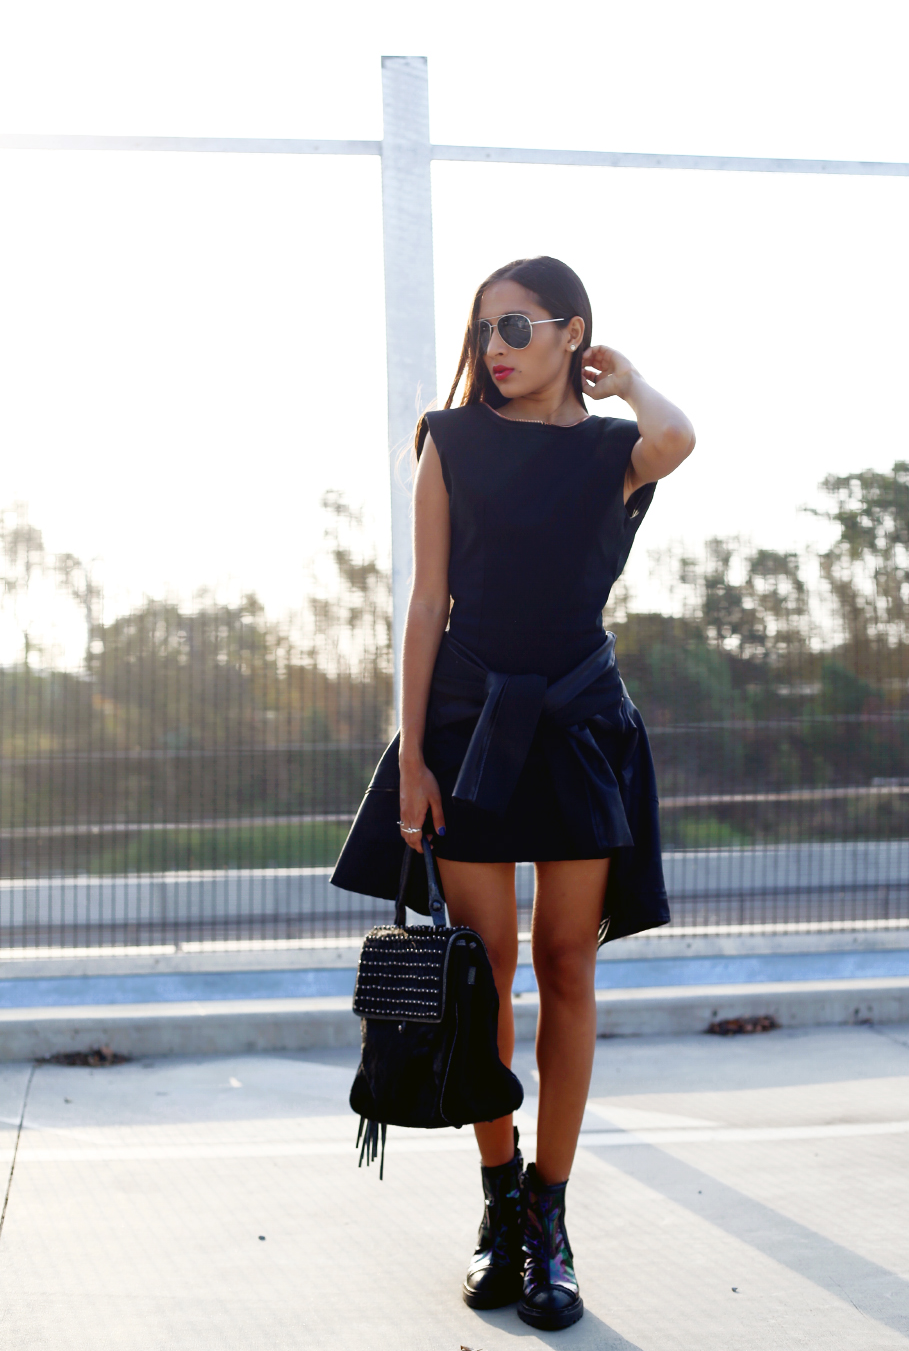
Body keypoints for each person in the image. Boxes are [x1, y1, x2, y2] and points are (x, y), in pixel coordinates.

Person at [333, 255, 695, 1331]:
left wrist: (627, 379)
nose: (494, 347)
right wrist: (412, 759)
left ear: (571, 332)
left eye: (518, 327)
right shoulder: (449, 443)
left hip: (577, 727)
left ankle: (551, 1215)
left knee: (568, 965)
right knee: (482, 978)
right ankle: (498, 1204)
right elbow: (426, 603)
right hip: (467, 729)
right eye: (484, 329)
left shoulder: (611, 451)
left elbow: (678, 438)